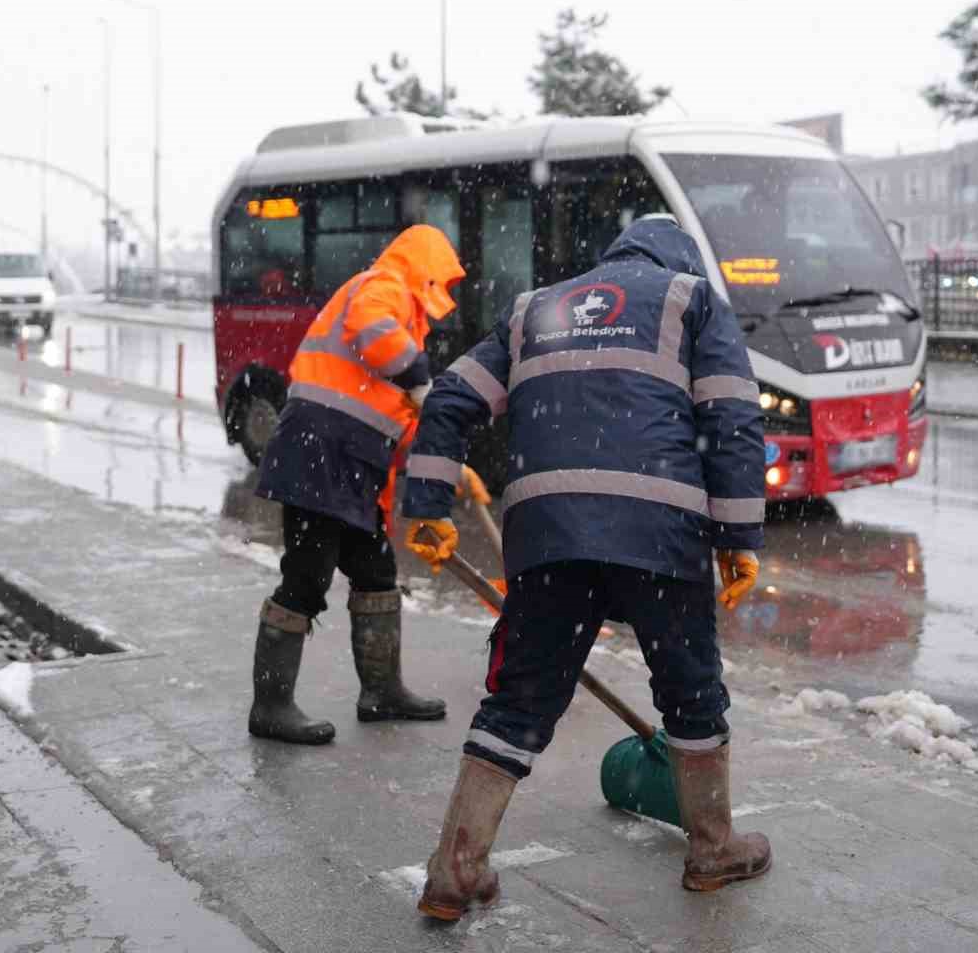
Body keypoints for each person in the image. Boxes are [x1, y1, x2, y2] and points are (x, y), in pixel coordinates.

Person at [401, 215, 770, 918]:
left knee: (518, 701)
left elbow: (450, 397)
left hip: (548, 532)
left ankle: (454, 870)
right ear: (680, 258)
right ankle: (713, 849)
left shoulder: (533, 308)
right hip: (660, 528)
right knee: (691, 693)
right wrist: (738, 537)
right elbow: (733, 418)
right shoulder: (688, 299)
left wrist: (428, 504)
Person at [250, 224, 469, 745]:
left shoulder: (407, 319)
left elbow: (396, 418)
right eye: (445, 280)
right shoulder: (384, 284)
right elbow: (372, 331)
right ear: (426, 267)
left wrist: (445, 461)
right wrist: (418, 375)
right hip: (318, 449)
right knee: (306, 577)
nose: (449, 294)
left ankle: (381, 692)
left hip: (348, 460)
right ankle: (271, 706)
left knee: (375, 571)